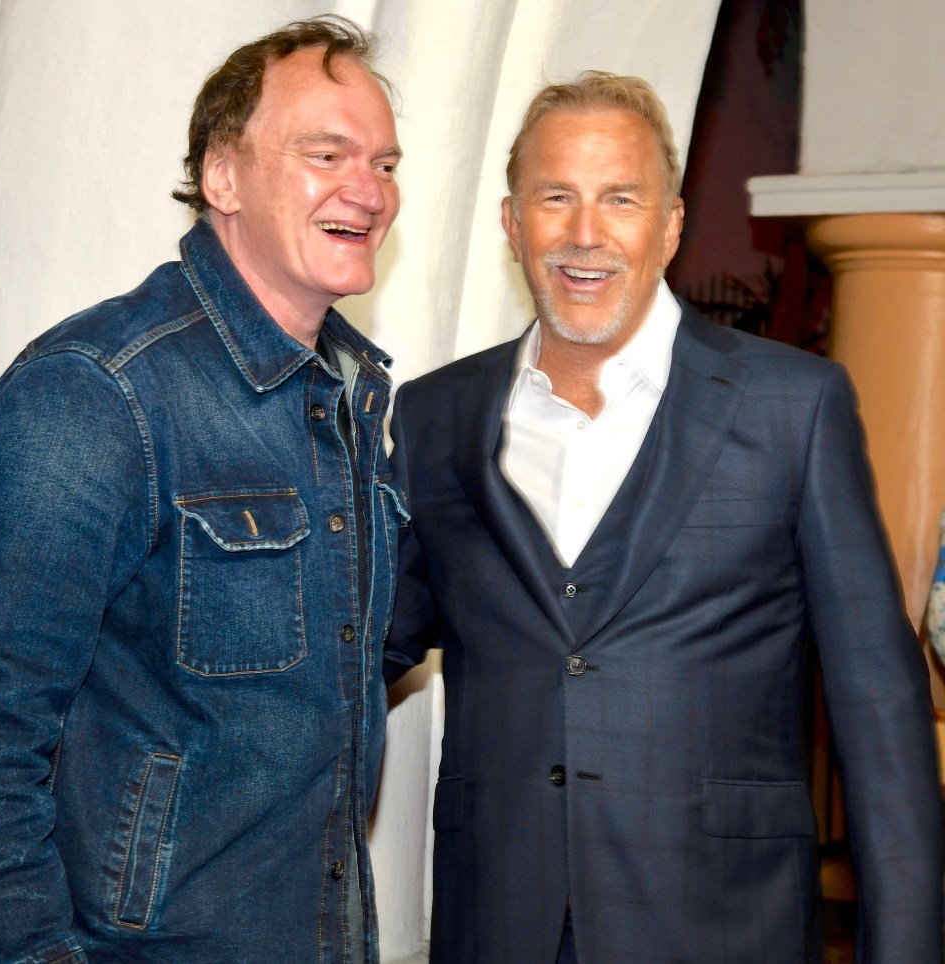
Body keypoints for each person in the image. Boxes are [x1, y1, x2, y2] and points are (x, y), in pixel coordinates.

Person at [384, 71, 942, 962]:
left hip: (725, 921)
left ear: (671, 225)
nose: (585, 233)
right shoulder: (434, 415)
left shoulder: (793, 406)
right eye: (555, 197)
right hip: (500, 919)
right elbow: (370, 641)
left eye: (621, 199)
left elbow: (878, 702)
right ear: (512, 222)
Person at [0, 15, 407, 962]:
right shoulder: (97, 390)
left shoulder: (351, 396)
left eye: (386, 164)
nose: (370, 189)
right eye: (327, 154)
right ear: (222, 177)